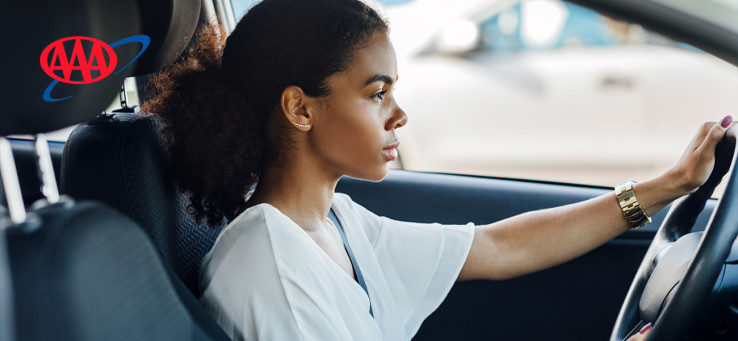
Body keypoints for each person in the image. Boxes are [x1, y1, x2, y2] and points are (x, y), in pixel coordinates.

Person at [142, 0, 731, 340]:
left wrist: (666, 187)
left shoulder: (334, 224)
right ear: (300, 108)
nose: (399, 115)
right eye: (377, 94)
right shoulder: (271, 269)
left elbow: (498, 249)